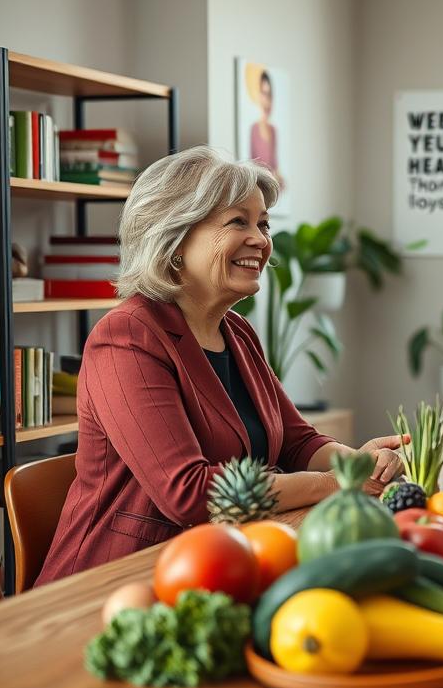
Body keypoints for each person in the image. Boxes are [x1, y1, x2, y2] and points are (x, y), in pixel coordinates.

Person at [36, 146, 401, 583]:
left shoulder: (237, 333)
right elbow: (188, 493)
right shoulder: (127, 338)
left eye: (263, 223)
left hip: (217, 561)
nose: (261, 240)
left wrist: (355, 463)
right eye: (237, 222)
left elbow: (297, 443)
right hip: (116, 582)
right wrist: (336, 483)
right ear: (174, 239)